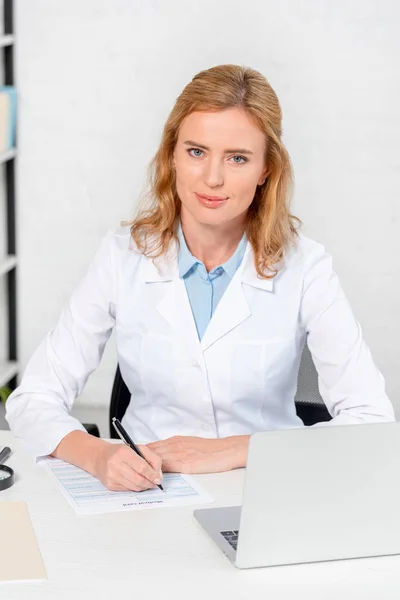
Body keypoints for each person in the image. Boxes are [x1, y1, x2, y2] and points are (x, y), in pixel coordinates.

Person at [6, 64, 395, 493]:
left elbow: (371, 420)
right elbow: (32, 400)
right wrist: (99, 455)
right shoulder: (122, 256)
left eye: (238, 158)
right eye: (196, 151)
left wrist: (233, 449)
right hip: (146, 491)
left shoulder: (306, 267)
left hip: (269, 489)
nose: (213, 178)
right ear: (171, 155)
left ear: (266, 169)